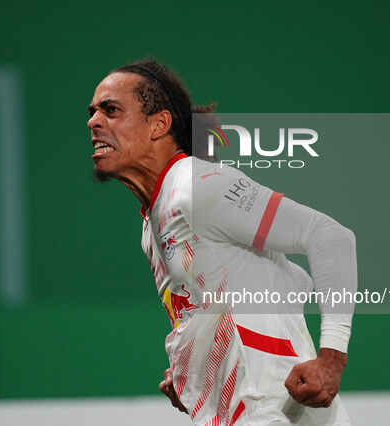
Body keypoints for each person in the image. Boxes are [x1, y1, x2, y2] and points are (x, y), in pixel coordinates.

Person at [88, 58, 357, 426]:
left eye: (111, 110)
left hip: (275, 413)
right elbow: (213, 306)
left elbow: (330, 237)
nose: (93, 121)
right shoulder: (153, 224)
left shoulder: (199, 187)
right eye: (93, 112)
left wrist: (331, 359)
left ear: (159, 124)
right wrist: (191, 371)